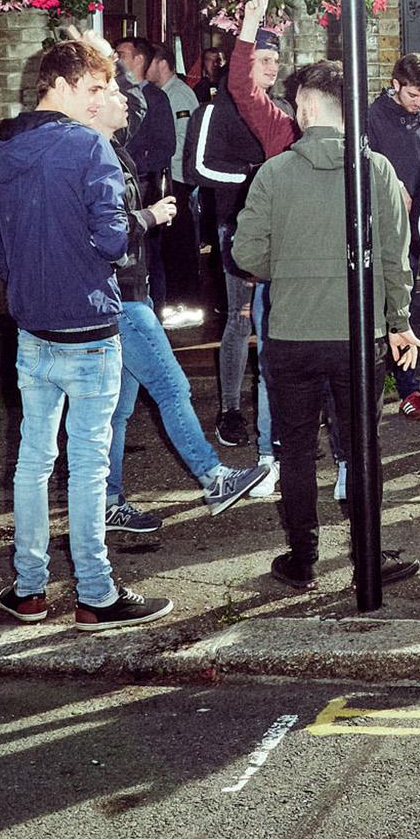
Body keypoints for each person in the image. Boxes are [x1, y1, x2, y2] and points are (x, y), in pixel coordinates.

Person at [0, 35, 170, 631]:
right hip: (88, 326)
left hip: (31, 329)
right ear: (60, 85)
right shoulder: (90, 146)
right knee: (88, 468)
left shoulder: (1, 147)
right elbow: (113, 241)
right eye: (94, 87)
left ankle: (29, 591)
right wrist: (142, 220)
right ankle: (95, 593)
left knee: (33, 462)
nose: (100, 99)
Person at [232, 59, 420, 593]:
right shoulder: (377, 171)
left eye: (297, 105)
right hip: (358, 335)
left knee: (296, 448)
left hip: (292, 332)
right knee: (362, 446)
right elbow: (395, 258)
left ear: (310, 107)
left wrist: (287, 267)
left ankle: (303, 557)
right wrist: (399, 319)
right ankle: (367, 555)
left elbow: (246, 254)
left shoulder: (274, 174)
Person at [83, 80, 268, 536]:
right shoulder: (94, 156)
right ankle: (213, 478)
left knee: (118, 409)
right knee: (171, 388)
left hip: (128, 290)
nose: (126, 102)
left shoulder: (109, 150)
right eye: (114, 93)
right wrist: (149, 216)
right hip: (122, 297)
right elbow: (104, 233)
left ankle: (107, 501)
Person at [204, 19, 280, 460]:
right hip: (234, 224)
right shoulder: (220, 109)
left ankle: (278, 414)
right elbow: (197, 167)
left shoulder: (281, 108)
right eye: (264, 60)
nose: (272, 67)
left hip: (275, 230)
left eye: (275, 61)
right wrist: (256, 178)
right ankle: (230, 409)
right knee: (240, 317)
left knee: (274, 319)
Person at [365, 50, 420, 421]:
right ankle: (409, 391)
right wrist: (393, 184)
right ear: (395, 85)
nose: (419, 102)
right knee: (403, 307)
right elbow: (365, 166)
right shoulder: (372, 116)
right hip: (396, 228)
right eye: (413, 94)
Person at [114, 36, 176, 311]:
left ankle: (154, 313)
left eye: (121, 54)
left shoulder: (155, 98)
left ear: (139, 59)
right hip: (120, 187)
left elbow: (166, 147)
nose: (116, 58)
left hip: (143, 187)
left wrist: (138, 168)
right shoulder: (113, 96)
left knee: (149, 256)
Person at [148, 45, 204, 324]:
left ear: (162, 64)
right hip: (171, 178)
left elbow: (183, 142)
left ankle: (187, 304)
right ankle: (175, 301)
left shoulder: (178, 94)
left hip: (179, 178)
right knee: (171, 246)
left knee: (181, 245)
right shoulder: (164, 93)